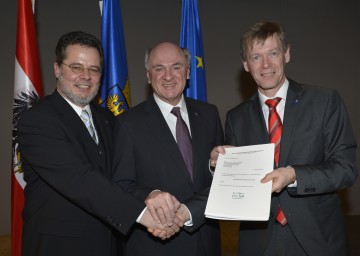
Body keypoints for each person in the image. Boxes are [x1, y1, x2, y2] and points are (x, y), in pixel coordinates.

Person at [17, 31, 180, 256]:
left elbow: (122, 174)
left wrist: (150, 194)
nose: (86, 76)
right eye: (76, 67)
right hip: (60, 247)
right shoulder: (37, 120)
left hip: (111, 243)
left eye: (94, 69)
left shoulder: (108, 120)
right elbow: (77, 178)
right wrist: (144, 214)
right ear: (57, 69)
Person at [210, 21, 358, 255]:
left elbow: (345, 170)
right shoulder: (235, 118)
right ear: (246, 65)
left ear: (286, 54)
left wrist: (294, 175)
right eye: (256, 57)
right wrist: (218, 165)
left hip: (318, 239)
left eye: (273, 53)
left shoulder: (324, 102)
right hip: (260, 242)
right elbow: (238, 184)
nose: (266, 64)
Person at [112, 42, 224, 256]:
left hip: (206, 242)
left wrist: (213, 167)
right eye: (159, 68)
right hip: (155, 244)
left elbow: (220, 180)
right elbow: (121, 184)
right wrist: (153, 197)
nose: (168, 75)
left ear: (188, 71)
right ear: (148, 75)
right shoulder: (127, 123)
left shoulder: (209, 114)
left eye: (176, 66)